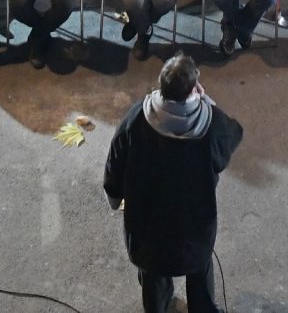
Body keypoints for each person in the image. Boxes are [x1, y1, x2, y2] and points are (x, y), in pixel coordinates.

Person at [104, 53, 244, 313]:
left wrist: (114, 197)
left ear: (161, 85)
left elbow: (114, 163)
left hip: (147, 234)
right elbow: (233, 136)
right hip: (194, 233)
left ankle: (159, 306)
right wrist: (205, 100)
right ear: (194, 89)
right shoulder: (211, 124)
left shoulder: (136, 119)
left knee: (154, 277)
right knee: (200, 271)